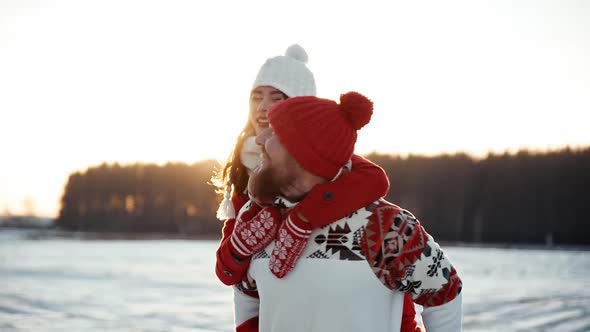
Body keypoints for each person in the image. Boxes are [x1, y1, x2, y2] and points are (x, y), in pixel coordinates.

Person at [213, 45, 420, 331]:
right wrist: (240, 242)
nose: (262, 107)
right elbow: (233, 275)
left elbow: (375, 179)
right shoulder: (241, 173)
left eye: (277, 97)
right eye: (256, 96)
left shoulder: (330, 167)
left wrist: (302, 218)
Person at [232, 92, 463, 332]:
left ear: (304, 155)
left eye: (275, 133)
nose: (260, 139)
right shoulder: (260, 223)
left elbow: (444, 291)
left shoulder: (383, 226)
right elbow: (246, 291)